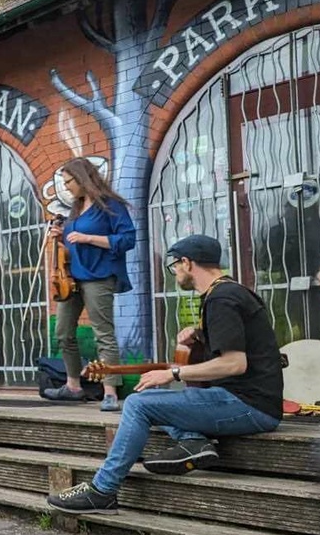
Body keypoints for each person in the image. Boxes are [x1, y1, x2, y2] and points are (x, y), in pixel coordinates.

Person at [48, 235, 284, 514]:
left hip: (250, 406)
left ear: (187, 262)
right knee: (152, 396)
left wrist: (174, 372)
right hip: (243, 400)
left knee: (137, 404)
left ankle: (103, 491)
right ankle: (193, 441)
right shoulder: (228, 292)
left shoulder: (222, 298)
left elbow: (234, 364)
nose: (175, 273)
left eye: (175, 266)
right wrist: (200, 334)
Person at [42, 158, 136, 412]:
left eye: (69, 182)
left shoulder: (110, 206)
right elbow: (72, 243)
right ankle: (73, 385)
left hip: (99, 276)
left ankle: (110, 390)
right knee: (62, 332)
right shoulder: (76, 208)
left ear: (83, 177)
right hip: (71, 277)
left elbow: (128, 239)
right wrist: (59, 237)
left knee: (102, 332)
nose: (66, 187)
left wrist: (89, 238)